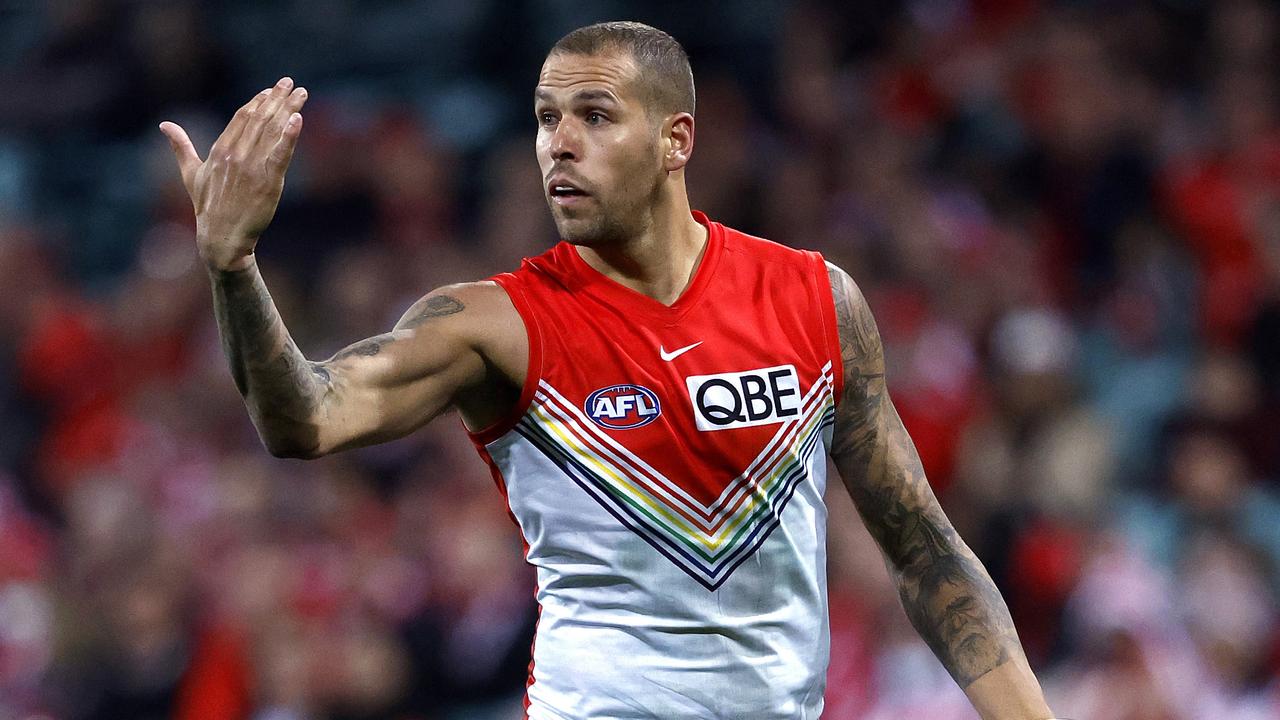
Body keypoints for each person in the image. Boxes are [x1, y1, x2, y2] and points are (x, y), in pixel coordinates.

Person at [160, 21, 1057, 720]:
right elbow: (304, 419)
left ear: (676, 140)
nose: (559, 143)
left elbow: (925, 551)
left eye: (594, 115)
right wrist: (233, 267)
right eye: (546, 118)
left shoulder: (816, 301)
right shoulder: (495, 323)